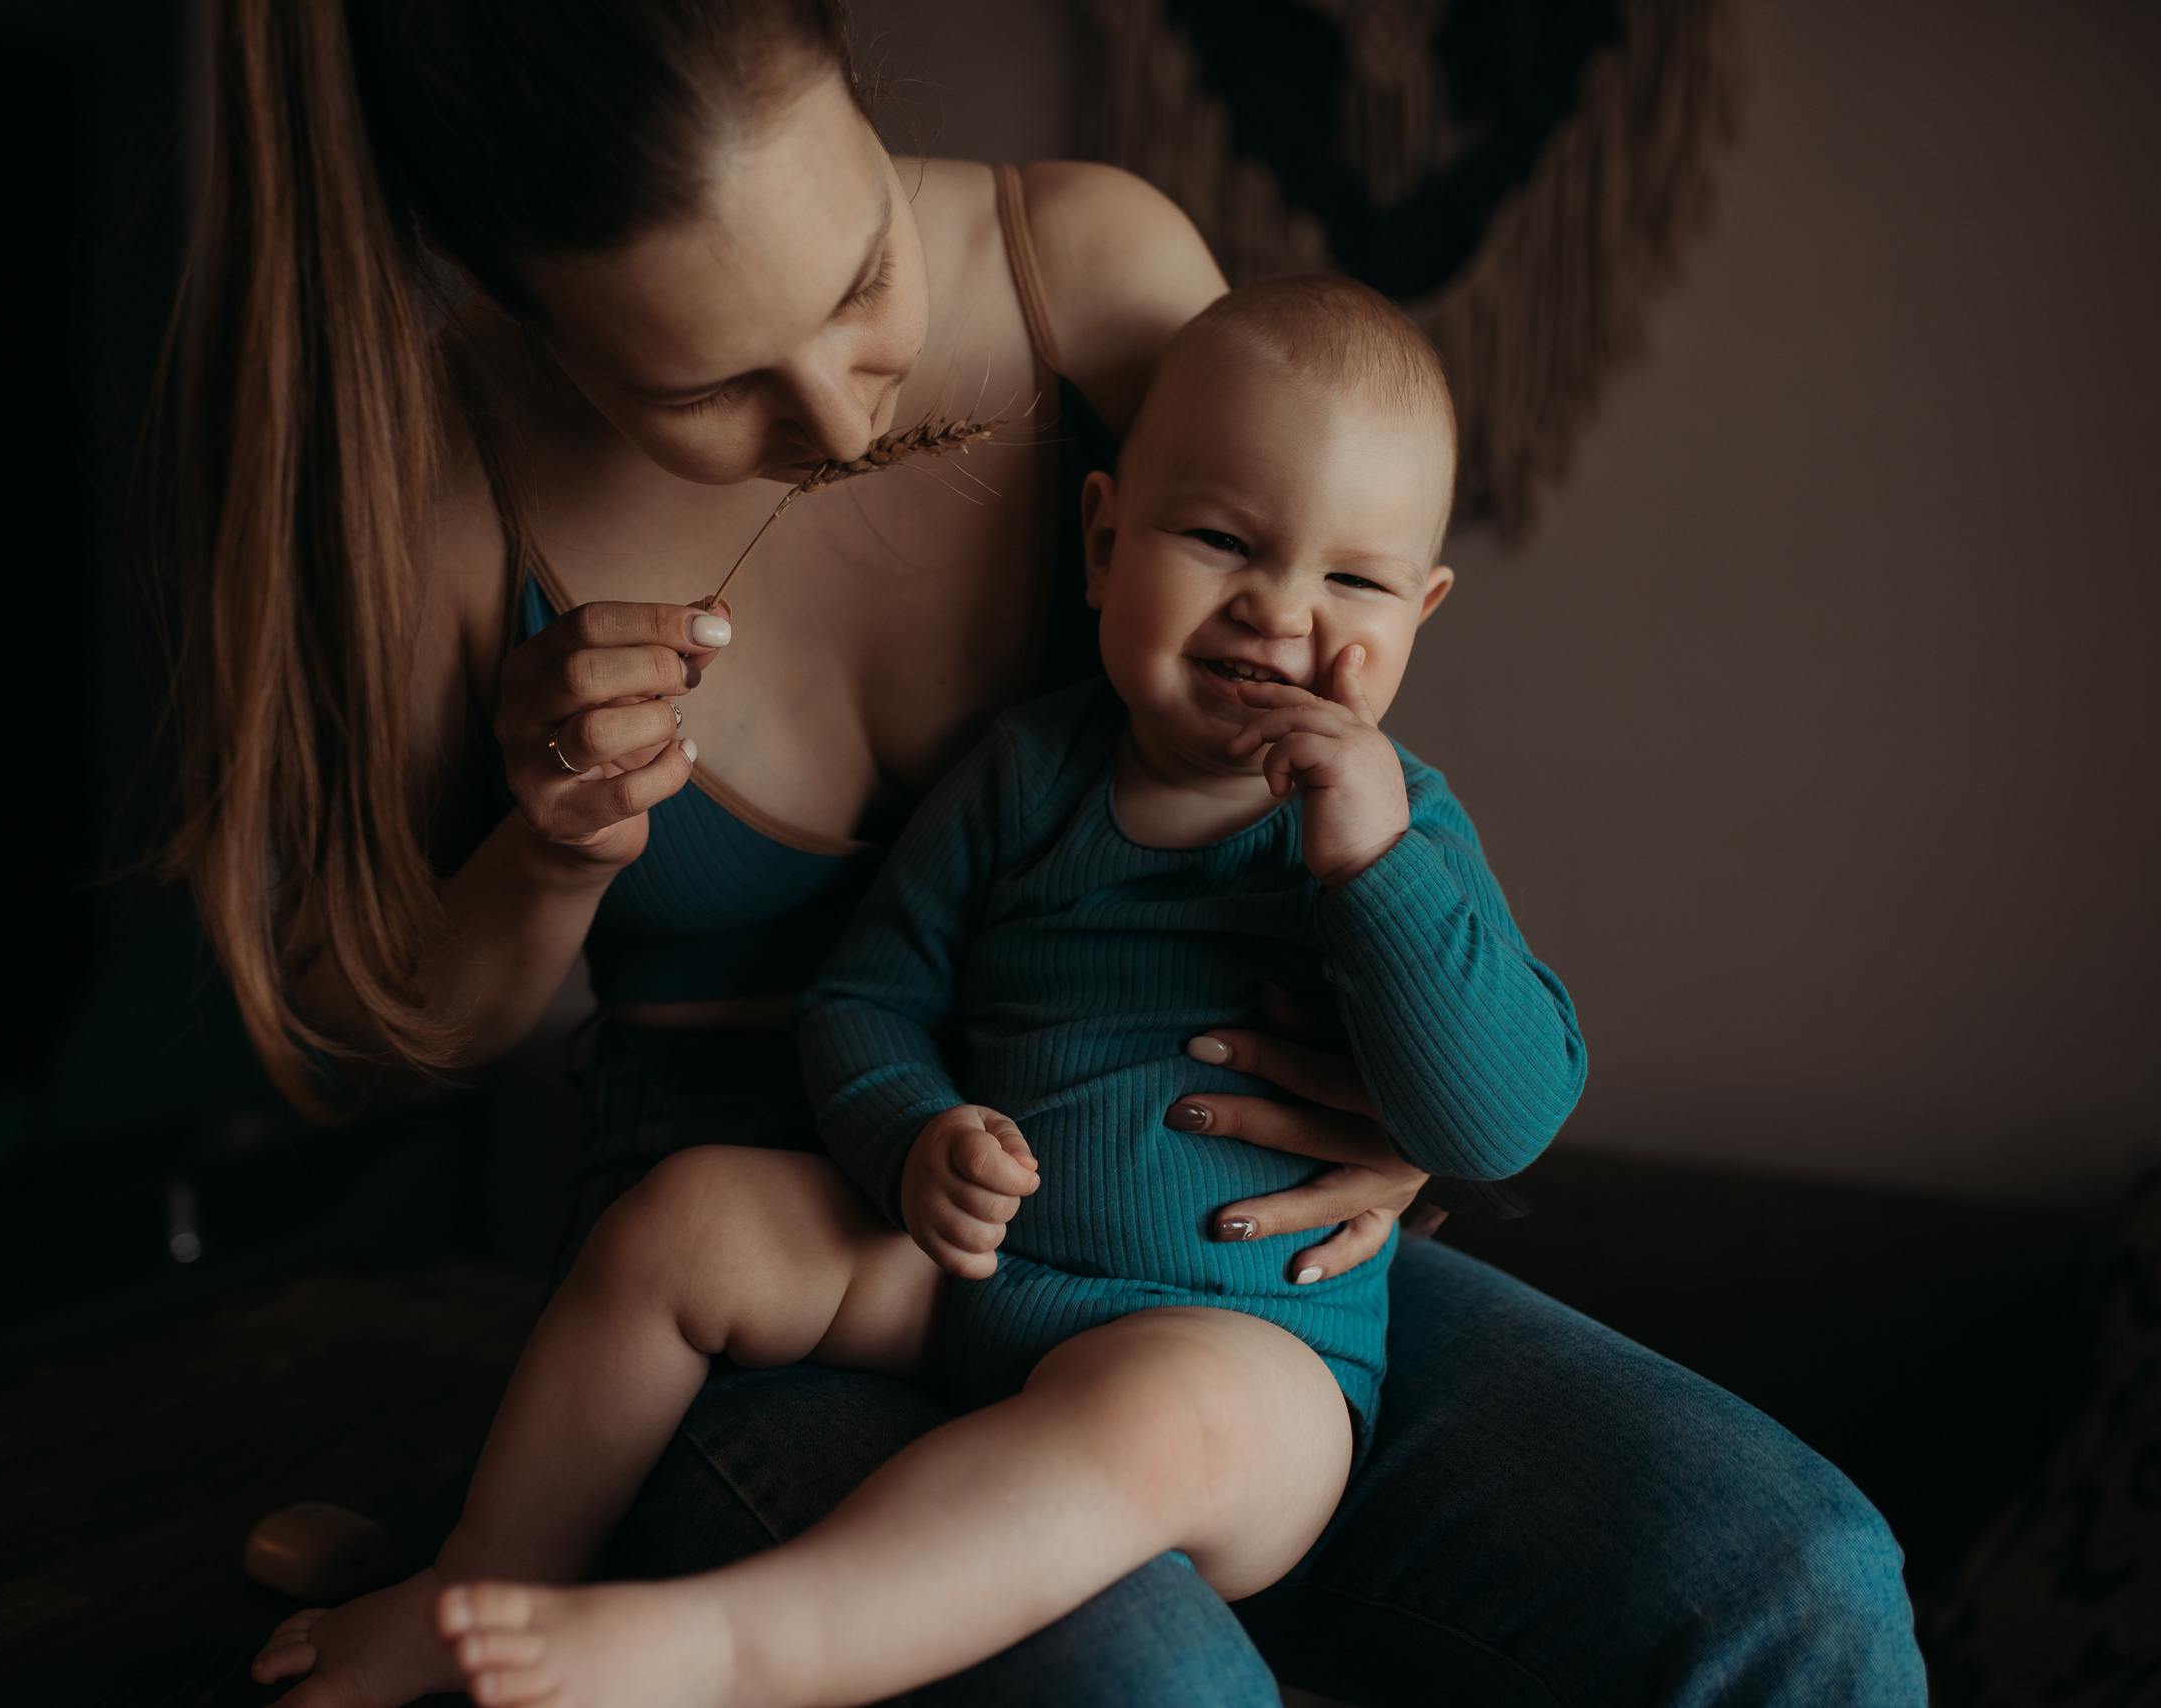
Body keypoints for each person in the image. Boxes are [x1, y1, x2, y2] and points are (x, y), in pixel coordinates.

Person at [172, 1, 1925, 1702]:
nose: (848, 427)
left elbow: (1329, 559)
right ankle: (555, 1598)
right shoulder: (441, 468)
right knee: (1137, 1676)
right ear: (533, 322)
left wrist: (1408, 1106)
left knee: (1789, 1581)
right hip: (810, 1222)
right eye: (706, 386)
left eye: (861, 278)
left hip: (1218, 1234)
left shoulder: (1089, 275)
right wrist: (554, 852)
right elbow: (391, 1018)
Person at [250, 275, 1586, 1707]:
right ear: (1103, 537)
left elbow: (1503, 1115)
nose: (1279, 608)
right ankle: (480, 1567)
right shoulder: (1026, 774)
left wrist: (1374, 866)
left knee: (1142, 1432)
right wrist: (916, 1135)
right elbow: (865, 1000)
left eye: (1355, 580)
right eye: (1220, 538)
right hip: (964, 1277)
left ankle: (726, 1643)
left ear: (1423, 608)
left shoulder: (1410, 834)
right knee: (689, 1216)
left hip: (1238, 1350)